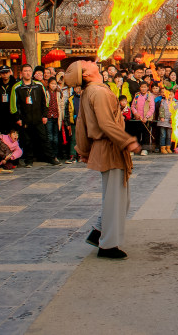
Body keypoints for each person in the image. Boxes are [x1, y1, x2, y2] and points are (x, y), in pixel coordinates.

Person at [66, 60, 141, 260]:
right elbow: (106, 123)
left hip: (108, 147)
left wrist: (83, 150)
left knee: (118, 198)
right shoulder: (97, 92)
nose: (91, 61)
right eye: (85, 63)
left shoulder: (91, 91)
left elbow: (80, 124)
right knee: (116, 199)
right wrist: (127, 141)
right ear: (86, 75)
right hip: (110, 147)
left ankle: (99, 232)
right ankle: (107, 246)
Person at [11, 64, 54, 167]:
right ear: (21, 73)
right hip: (25, 119)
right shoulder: (17, 87)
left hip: (38, 117)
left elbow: (45, 101)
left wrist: (45, 115)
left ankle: (51, 158)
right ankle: (29, 160)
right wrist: (18, 118)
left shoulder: (39, 85)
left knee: (44, 138)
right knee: (27, 140)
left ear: (32, 73)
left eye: (29, 71)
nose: (27, 73)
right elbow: (13, 105)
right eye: (25, 71)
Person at [0, 66, 17, 133]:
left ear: (10, 73)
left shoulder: (15, 84)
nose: (5, 74)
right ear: (0, 74)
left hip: (12, 114)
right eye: (3, 73)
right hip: (0, 115)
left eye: (6, 72)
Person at [156, 90, 174, 154]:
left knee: (169, 135)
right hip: (163, 121)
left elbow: (175, 112)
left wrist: (173, 118)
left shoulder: (175, 103)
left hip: (170, 121)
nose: (170, 96)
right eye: (169, 95)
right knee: (163, 135)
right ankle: (162, 148)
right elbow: (161, 109)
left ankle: (168, 147)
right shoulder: (163, 102)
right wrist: (161, 116)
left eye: (171, 95)